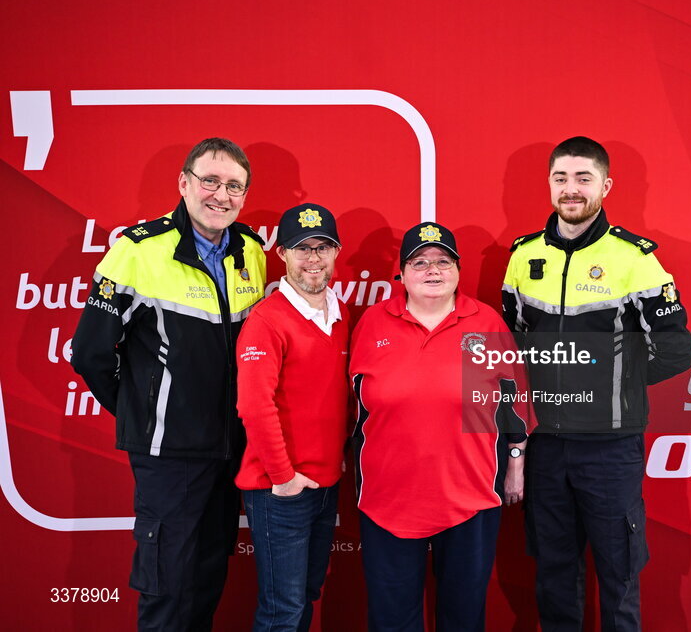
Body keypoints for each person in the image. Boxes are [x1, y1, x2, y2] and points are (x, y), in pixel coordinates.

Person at [70, 137, 267, 631]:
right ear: (183, 183)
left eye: (234, 186)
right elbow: (91, 353)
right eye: (210, 181)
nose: (221, 195)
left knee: (209, 574)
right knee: (167, 584)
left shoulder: (252, 250)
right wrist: (146, 412)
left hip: (230, 449)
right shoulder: (135, 252)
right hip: (168, 454)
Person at [502, 136, 691, 631]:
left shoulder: (636, 259)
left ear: (605, 185)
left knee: (619, 577)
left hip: (610, 449)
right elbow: (511, 353)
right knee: (553, 575)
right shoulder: (523, 256)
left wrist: (610, 385)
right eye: (561, 178)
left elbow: (676, 348)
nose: (572, 189)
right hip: (544, 447)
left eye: (583, 178)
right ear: (548, 184)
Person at [349, 222, 530, 631]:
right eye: (419, 262)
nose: (432, 270)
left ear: (458, 270)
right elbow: (351, 408)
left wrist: (516, 460)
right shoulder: (372, 324)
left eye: (443, 261)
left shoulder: (484, 322)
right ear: (401, 273)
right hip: (387, 502)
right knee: (392, 622)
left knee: (463, 620)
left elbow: (513, 403)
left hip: (470, 500)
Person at [235, 203, 349, 631]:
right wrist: (283, 477)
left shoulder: (340, 317)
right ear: (281, 253)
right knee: (282, 612)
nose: (313, 259)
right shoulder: (267, 320)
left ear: (336, 253)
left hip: (324, 486)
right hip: (280, 490)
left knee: (303, 599)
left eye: (323, 247)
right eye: (301, 249)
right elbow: (254, 405)